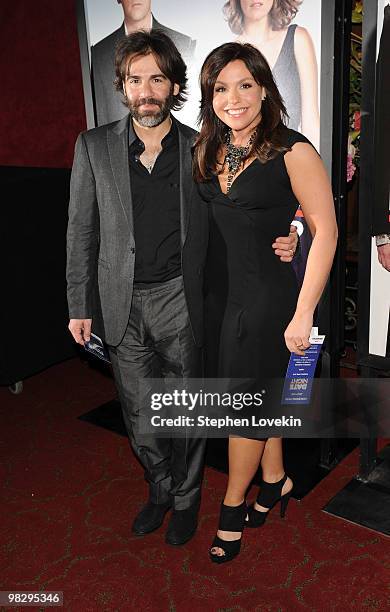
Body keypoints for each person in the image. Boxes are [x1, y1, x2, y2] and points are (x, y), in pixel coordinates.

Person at [67, 31, 298, 547]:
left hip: (182, 297)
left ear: (173, 85)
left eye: (156, 78)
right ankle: (160, 488)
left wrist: (291, 234)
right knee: (140, 413)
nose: (146, 90)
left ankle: (189, 499)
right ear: (121, 87)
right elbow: (80, 232)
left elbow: (247, 211)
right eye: (135, 80)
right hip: (120, 303)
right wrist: (79, 304)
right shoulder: (93, 147)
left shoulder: (203, 147)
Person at [193, 42, 337, 563]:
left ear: (264, 89)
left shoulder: (293, 150)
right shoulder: (209, 150)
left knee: (241, 412)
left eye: (245, 85)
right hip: (223, 300)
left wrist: (303, 312)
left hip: (273, 302)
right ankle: (275, 480)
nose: (233, 99)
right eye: (220, 88)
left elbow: (327, 232)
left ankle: (231, 512)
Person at [223, 0, 320, 150]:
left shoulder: (297, 38)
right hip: (245, 162)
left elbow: (310, 118)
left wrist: (313, 164)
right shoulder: (227, 54)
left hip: (290, 158)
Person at [91, 0, 196, 126]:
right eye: (135, 81)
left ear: (175, 87)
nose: (146, 93)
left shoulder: (185, 42)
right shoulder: (99, 52)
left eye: (156, 80)